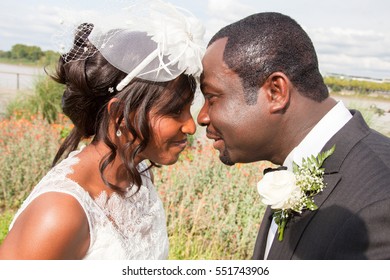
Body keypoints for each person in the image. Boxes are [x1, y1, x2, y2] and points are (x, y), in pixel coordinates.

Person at [0, 0, 205, 259]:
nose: (190, 125)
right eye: (175, 111)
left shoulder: (138, 173)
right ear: (119, 115)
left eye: (188, 109)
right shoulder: (60, 211)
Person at [197, 12, 390, 259]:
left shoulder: (381, 202)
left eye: (212, 97)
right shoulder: (295, 166)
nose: (201, 117)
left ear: (275, 92)